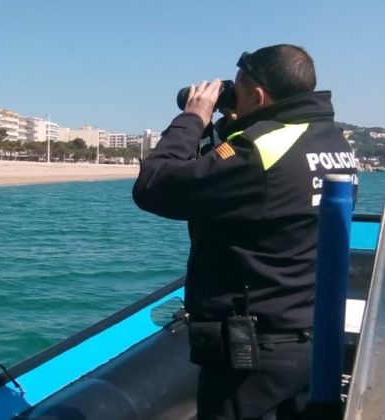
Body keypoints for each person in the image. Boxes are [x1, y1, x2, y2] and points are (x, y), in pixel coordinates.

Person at [132, 44, 357, 419]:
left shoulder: (263, 150)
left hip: (253, 356)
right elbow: (241, 182)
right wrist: (232, 124)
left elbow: (153, 185)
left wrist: (194, 117)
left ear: (258, 95)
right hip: (311, 339)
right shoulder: (333, 141)